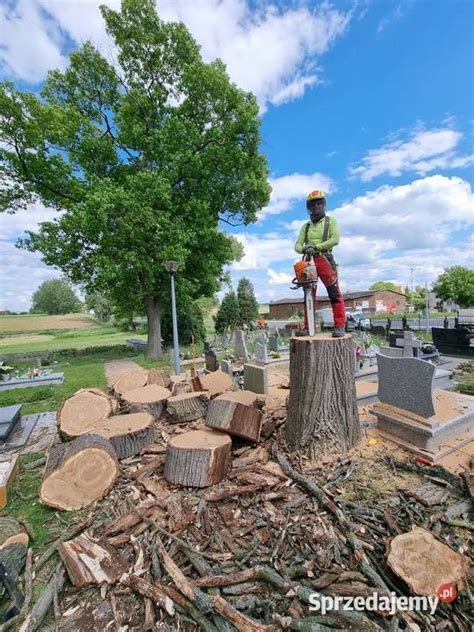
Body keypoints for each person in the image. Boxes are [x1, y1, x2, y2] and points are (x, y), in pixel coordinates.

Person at [294, 190, 346, 337]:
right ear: (309, 207)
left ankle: (340, 326)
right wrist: (304, 248)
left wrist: (316, 247)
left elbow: (335, 239)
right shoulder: (306, 226)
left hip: (325, 259)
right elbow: (297, 246)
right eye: (313, 205)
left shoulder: (331, 221)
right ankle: (308, 327)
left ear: (323, 205)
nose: (316, 207)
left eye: (319, 204)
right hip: (308, 262)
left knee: (334, 293)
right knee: (308, 295)